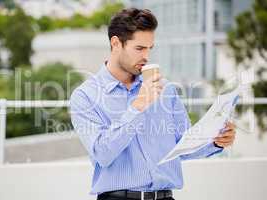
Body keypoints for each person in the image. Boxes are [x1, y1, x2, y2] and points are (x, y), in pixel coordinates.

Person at [70, 8, 236, 200]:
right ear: (116, 43)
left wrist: (215, 141)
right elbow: (102, 154)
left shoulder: (166, 90)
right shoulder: (86, 96)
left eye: (150, 48)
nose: (146, 56)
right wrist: (137, 107)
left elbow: (183, 145)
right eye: (139, 48)